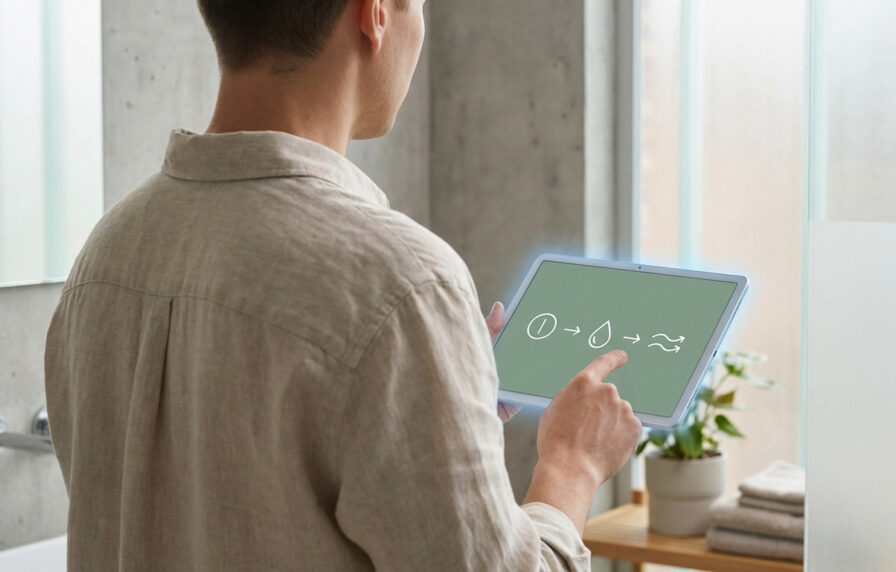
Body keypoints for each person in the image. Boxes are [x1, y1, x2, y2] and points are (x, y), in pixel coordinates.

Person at [44, 0, 642, 570]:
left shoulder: (103, 258)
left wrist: (439, 404)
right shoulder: (404, 284)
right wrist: (572, 464)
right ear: (375, 14)